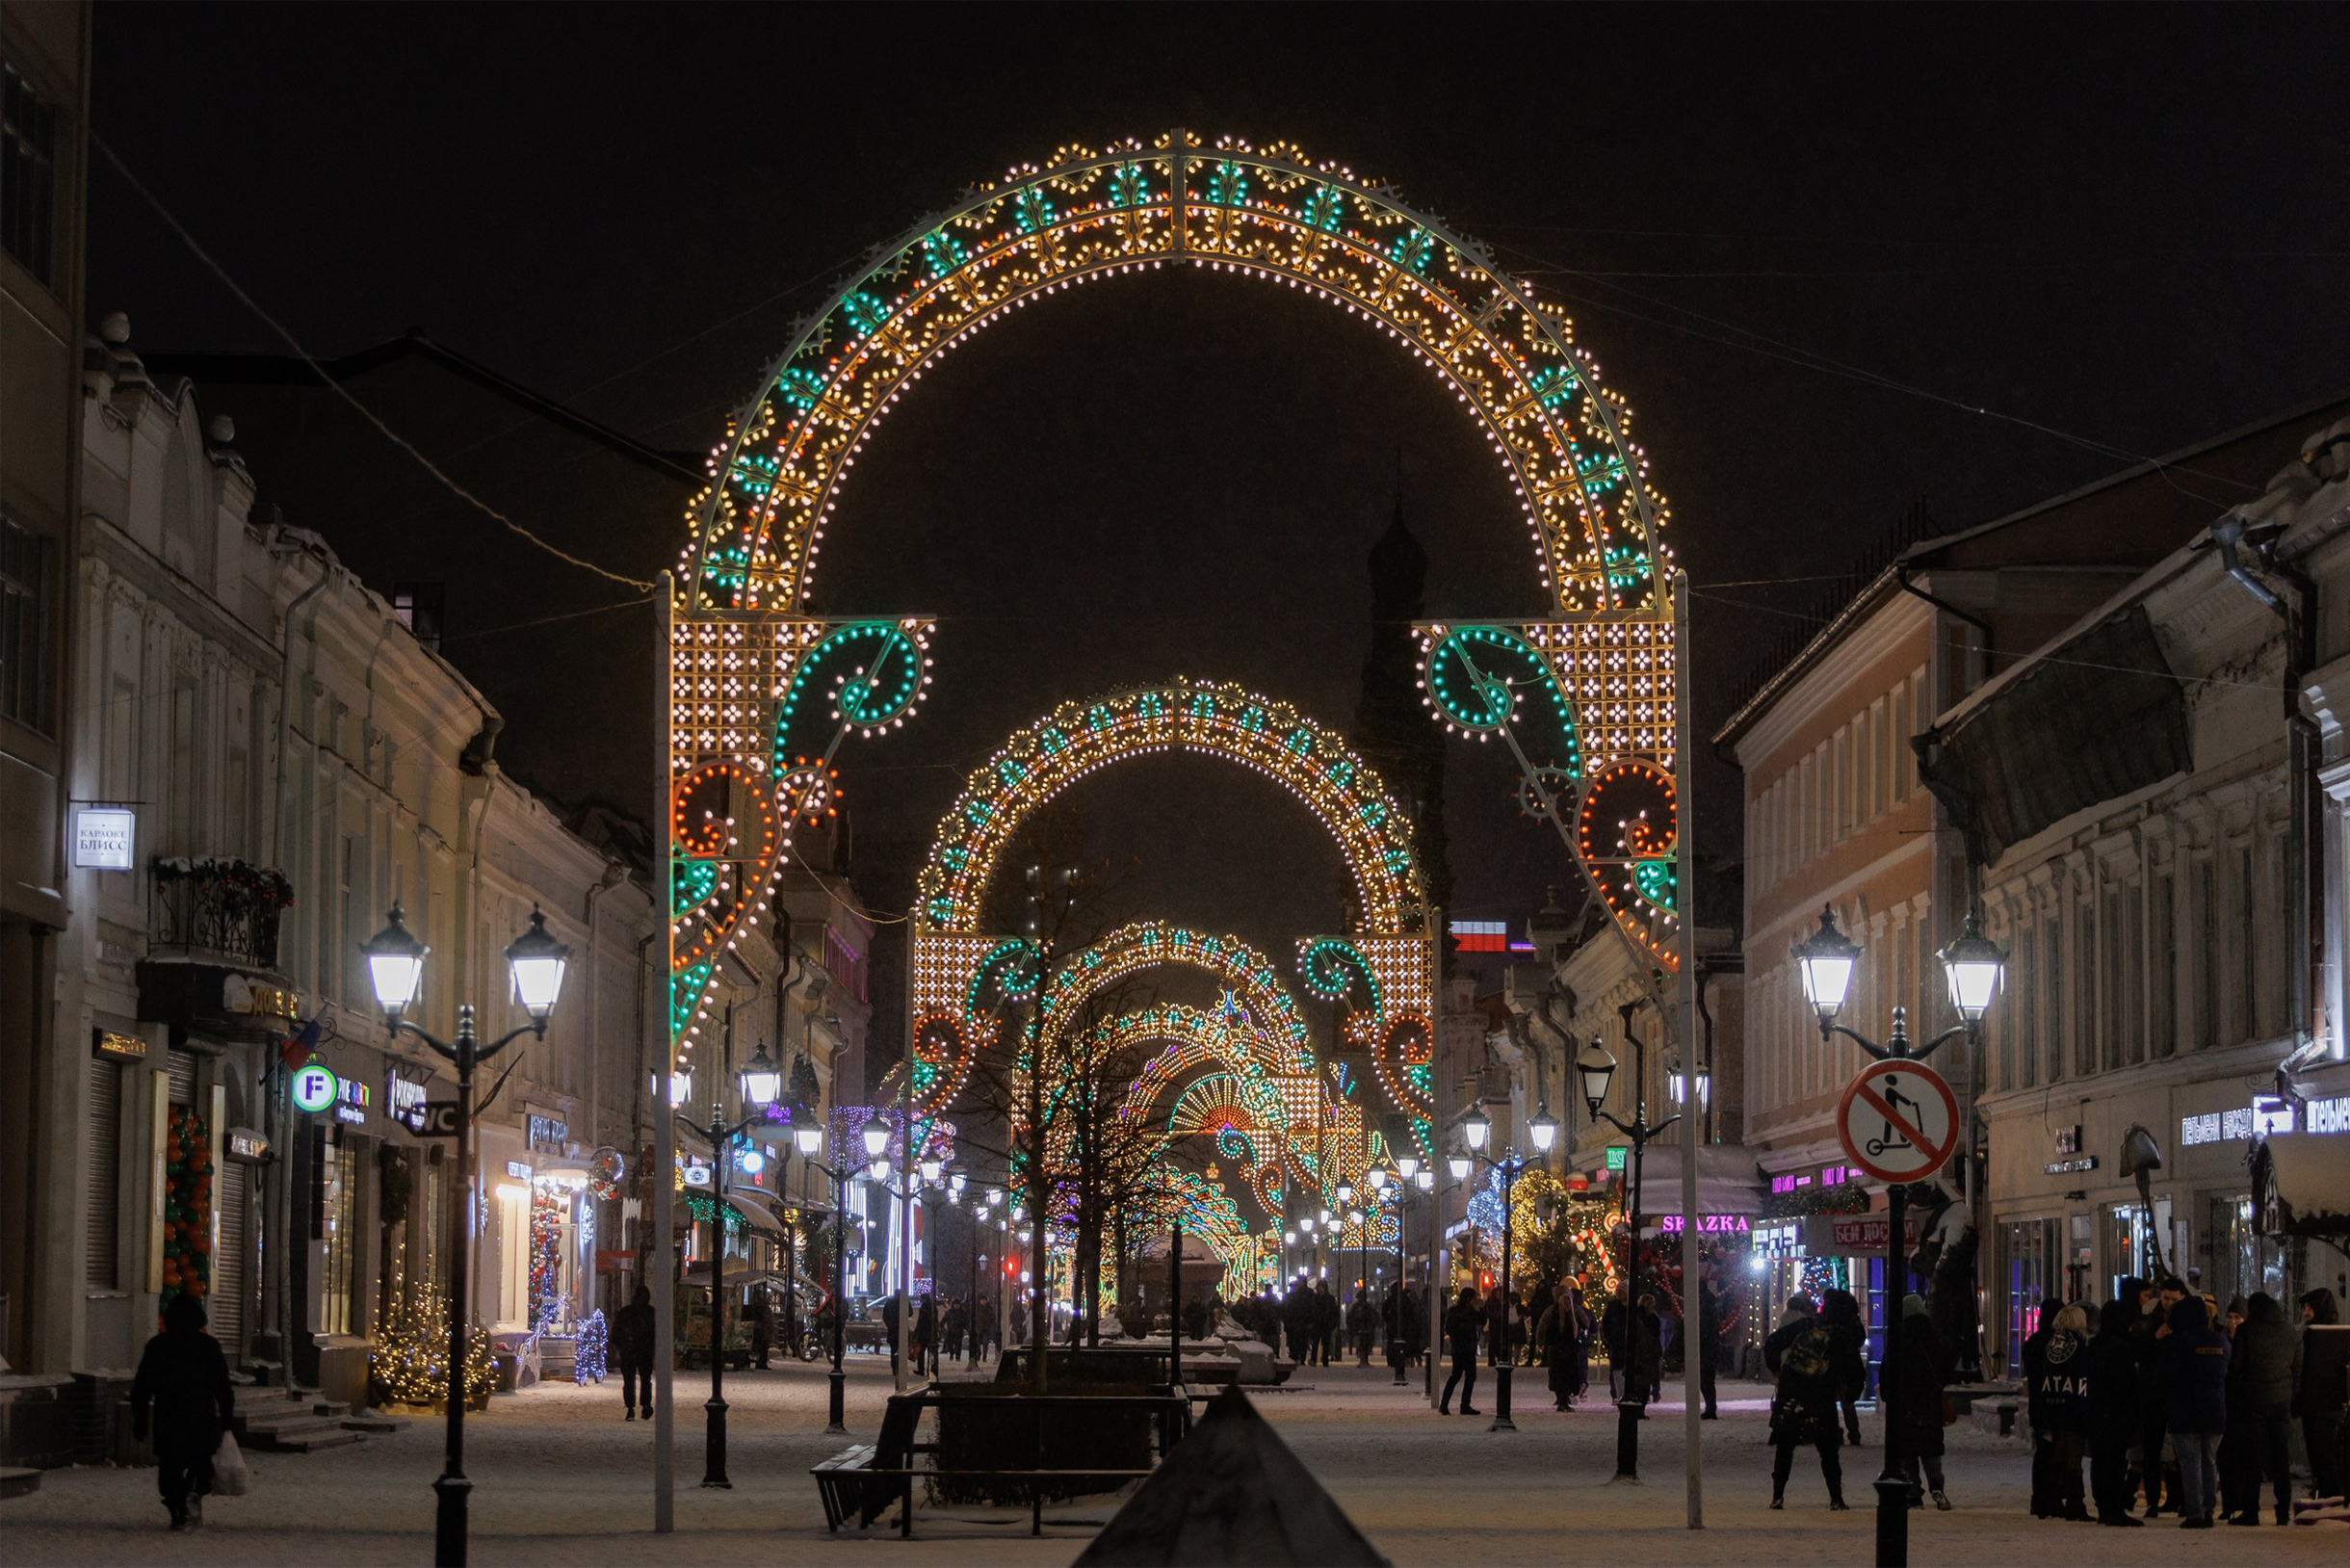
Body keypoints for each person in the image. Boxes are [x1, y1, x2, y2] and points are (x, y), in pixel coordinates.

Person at [129, 1293, 235, 1531]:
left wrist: (140, 1419)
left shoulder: (158, 1347)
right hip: (201, 1416)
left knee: (170, 1466)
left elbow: (142, 1387)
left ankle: (177, 1505)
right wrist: (227, 1416)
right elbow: (222, 1385)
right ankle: (194, 1493)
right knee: (201, 1463)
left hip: (169, 1416)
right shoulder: (208, 1347)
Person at [1763, 1294, 1856, 1509]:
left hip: (1792, 1391)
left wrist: (1776, 1369)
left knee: (1786, 1446)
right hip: (1821, 1395)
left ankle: (1778, 1495)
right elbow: (1853, 1368)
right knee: (1828, 1450)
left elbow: (1773, 1343)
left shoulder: (1804, 1325)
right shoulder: (1840, 1335)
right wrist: (1850, 1394)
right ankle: (1836, 1497)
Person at [2221, 1291, 2295, 1526]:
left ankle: (2250, 1512)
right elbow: (2298, 1367)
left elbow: (2236, 1368)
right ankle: (2283, 1511)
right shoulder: (2290, 1332)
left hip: (2253, 1402)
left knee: (2252, 1457)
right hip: (2282, 1401)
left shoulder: (2247, 1330)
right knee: (2281, 1458)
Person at [2157, 1290, 2229, 1528]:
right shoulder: (2220, 1342)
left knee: (2189, 1461)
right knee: (2210, 1461)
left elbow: (2166, 1374)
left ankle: (2195, 1512)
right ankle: (2208, 1509)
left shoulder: (2177, 1342)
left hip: (2184, 1409)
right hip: (2215, 1409)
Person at [2024, 1300, 2091, 1519]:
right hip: (2073, 1408)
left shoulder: (2048, 1344)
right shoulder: (2079, 1347)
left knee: (2055, 1455)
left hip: (2048, 1406)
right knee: (2072, 1456)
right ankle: (2074, 1504)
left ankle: (2046, 1500)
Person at [2084, 1299, 2146, 1527]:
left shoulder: (2095, 1346)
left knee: (2101, 1462)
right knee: (2114, 1462)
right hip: (2117, 1414)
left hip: (2098, 1412)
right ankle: (2113, 1508)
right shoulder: (2121, 1348)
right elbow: (2126, 1385)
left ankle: (2105, 1506)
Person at [1892, 1294, 1953, 1510]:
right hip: (1930, 1404)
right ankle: (1937, 1486)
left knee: (1907, 1453)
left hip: (1905, 1406)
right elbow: (1947, 1369)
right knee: (1931, 1451)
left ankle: (1913, 1492)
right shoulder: (1934, 1337)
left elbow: (1887, 1374)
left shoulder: (1898, 1340)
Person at [2295, 1288, 2347, 1503]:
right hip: (2330, 1405)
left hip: (2318, 1407)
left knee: (2322, 1455)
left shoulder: (2317, 1336)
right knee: (2324, 1456)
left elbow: (2306, 1371)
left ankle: (2330, 1496)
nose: (2306, 1313)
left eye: (2308, 1308)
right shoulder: (2339, 1335)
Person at [1820, 1289, 1867, 1446]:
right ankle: (1854, 1432)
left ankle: (1836, 1432)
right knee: (1847, 1401)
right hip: (1848, 1360)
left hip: (1830, 1361)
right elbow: (1860, 1337)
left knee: (1828, 1400)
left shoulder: (1826, 1317)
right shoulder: (1850, 1317)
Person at [613, 1283, 656, 1422]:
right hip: (645, 1352)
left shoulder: (625, 1312)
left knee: (629, 1381)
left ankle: (631, 1408)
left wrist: (622, 1346)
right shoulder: (651, 1313)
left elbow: (615, 1334)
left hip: (630, 1352)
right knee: (645, 1380)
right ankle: (646, 1405)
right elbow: (656, 1334)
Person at [1440, 1285, 1483, 1415]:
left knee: (1462, 1376)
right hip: (1463, 1347)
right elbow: (1450, 1328)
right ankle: (1458, 1405)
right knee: (1461, 1376)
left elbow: (1481, 1320)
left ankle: (1451, 1404)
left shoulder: (1461, 1310)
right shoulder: (1463, 1311)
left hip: (1462, 1347)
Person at [1694, 1267, 1722, 1420]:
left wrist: (1699, 1342)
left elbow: (1704, 1328)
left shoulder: (1704, 1305)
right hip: (1709, 1348)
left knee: (1706, 1381)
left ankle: (1711, 1408)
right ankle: (1710, 1407)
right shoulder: (1709, 1303)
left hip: (1706, 1349)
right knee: (1707, 1380)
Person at [1600, 1282, 1632, 1402]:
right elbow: (1605, 1324)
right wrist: (1608, 1339)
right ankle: (1617, 1394)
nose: (1618, 1293)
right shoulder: (1612, 1306)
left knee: (1626, 1369)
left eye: (1621, 1291)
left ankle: (1626, 1393)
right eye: (1617, 1291)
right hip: (1616, 1342)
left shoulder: (1631, 1307)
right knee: (1616, 1369)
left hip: (1626, 1342)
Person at [1632, 1294, 1664, 1413]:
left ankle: (1638, 1403)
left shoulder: (1636, 1316)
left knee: (1639, 1380)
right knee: (1647, 1380)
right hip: (1650, 1352)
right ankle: (1647, 1400)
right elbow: (1656, 1335)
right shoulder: (1653, 1318)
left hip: (1639, 1352)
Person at [746, 1285, 771, 1371]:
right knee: (762, 1347)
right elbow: (766, 1319)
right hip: (763, 1330)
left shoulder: (762, 1307)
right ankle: (760, 1363)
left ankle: (761, 1363)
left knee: (763, 1347)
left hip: (764, 1330)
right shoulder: (761, 1308)